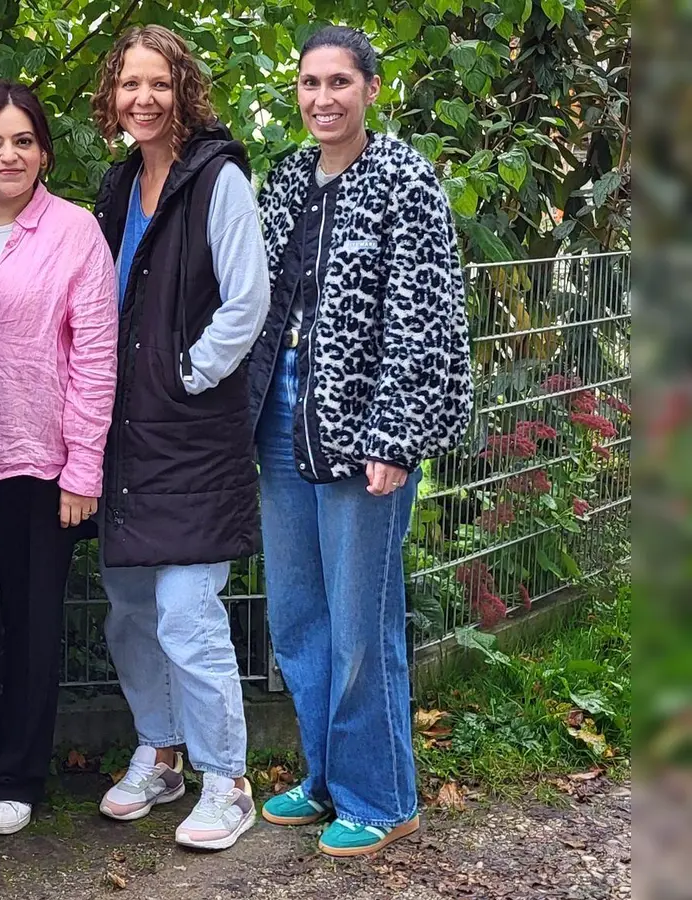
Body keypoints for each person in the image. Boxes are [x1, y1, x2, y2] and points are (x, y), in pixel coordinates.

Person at [249, 25, 472, 857]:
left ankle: (383, 798)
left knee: (359, 619)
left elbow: (424, 322)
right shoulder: (287, 180)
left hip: (364, 421)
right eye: (310, 83)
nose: (322, 99)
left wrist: (395, 435)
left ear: (372, 90)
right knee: (298, 614)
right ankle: (327, 780)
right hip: (281, 415)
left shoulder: (406, 181)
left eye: (340, 82)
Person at [88, 25, 273, 851]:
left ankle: (226, 778)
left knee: (187, 614)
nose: (143, 99)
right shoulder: (118, 182)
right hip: (127, 434)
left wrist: (187, 374)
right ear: (113, 95)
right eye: (130, 84)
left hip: (194, 431)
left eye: (158, 83)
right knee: (129, 611)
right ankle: (159, 754)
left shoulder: (218, 177)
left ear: (183, 89)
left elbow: (248, 300)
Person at [0, 81, 117, 836]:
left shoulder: (75, 232)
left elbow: (96, 359)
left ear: (44, 150)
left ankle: (18, 774)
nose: (6, 155)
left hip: (41, 463)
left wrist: (83, 470)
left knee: (35, 625)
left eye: (21, 141)